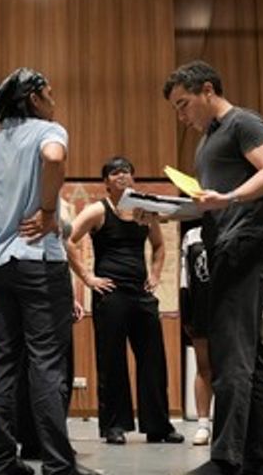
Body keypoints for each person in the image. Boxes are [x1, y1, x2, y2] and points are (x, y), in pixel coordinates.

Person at [0, 68, 100, 475]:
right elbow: (54, 158)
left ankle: (2, 460)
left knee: (3, 357)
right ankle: (57, 461)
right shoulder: (48, 131)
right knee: (47, 361)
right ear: (33, 97)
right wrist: (50, 212)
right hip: (39, 262)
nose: (54, 98)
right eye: (48, 91)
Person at [164, 61, 263, 475]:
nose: (182, 117)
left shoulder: (243, 123)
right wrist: (163, 212)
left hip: (247, 244)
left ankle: (227, 459)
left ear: (208, 89)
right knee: (250, 356)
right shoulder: (210, 140)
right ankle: (259, 456)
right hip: (226, 245)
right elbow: (209, 203)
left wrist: (230, 197)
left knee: (231, 354)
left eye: (184, 105)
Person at [67, 156, 180, 445]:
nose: (122, 176)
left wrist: (155, 274)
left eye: (127, 172)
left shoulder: (144, 212)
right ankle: (114, 426)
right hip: (111, 294)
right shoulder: (97, 210)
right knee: (111, 360)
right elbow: (69, 240)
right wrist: (88, 278)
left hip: (141, 295)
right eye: (115, 172)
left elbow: (158, 246)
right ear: (105, 181)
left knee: (153, 360)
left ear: (133, 178)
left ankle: (159, 426)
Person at [179, 222, 215, 444]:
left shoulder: (232, 230)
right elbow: (186, 278)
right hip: (200, 308)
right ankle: (203, 424)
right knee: (204, 367)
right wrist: (186, 312)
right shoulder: (192, 236)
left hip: (227, 308)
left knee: (229, 368)